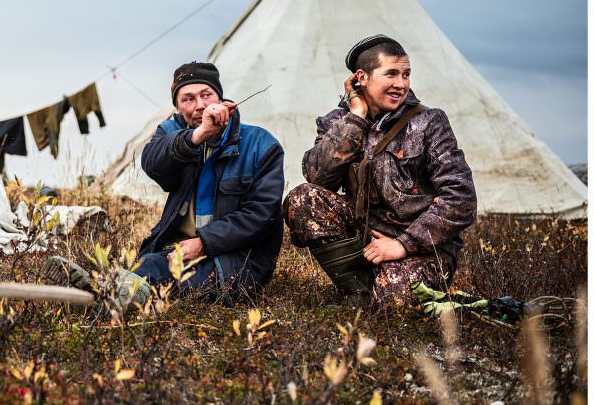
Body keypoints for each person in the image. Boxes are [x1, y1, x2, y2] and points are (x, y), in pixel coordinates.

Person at [46, 61, 285, 308]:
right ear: (178, 107)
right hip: (182, 253)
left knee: (156, 275)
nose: (200, 105)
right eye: (188, 99)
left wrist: (204, 243)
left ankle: (100, 299)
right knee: (148, 265)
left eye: (206, 95)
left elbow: (260, 215)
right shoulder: (172, 134)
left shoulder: (261, 145)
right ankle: (101, 297)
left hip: (238, 261)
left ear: (220, 99)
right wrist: (197, 136)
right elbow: (153, 163)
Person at [283, 35, 477, 305]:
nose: (401, 84)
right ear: (361, 77)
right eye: (391, 74)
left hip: (418, 248)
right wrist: (356, 119)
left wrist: (403, 244)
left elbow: (461, 198)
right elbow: (317, 178)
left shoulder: (429, 122)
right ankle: (357, 287)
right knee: (303, 197)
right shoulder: (336, 122)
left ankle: (375, 292)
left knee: (393, 305)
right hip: (365, 243)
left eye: (406, 74)